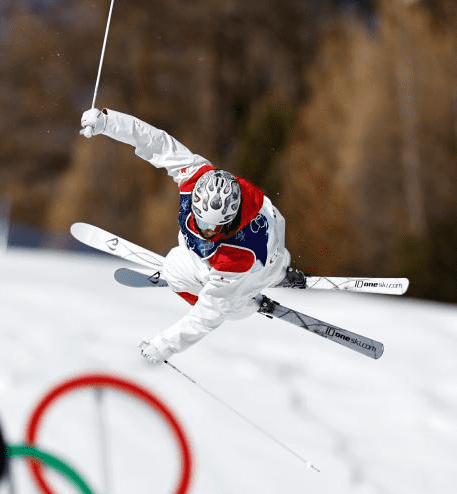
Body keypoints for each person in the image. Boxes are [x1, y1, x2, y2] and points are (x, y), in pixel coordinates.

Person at [80, 107, 305, 365]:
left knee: (218, 300)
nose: (207, 231)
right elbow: (155, 141)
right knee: (182, 263)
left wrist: (163, 346)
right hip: (258, 237)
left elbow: (207, 314)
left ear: (230, 218)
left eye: (215, 227)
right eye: (202, 221)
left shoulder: (237, 256)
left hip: (256, 263)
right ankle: (272, 274)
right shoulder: (195, 174)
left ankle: (251, 298)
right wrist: (107, 122)